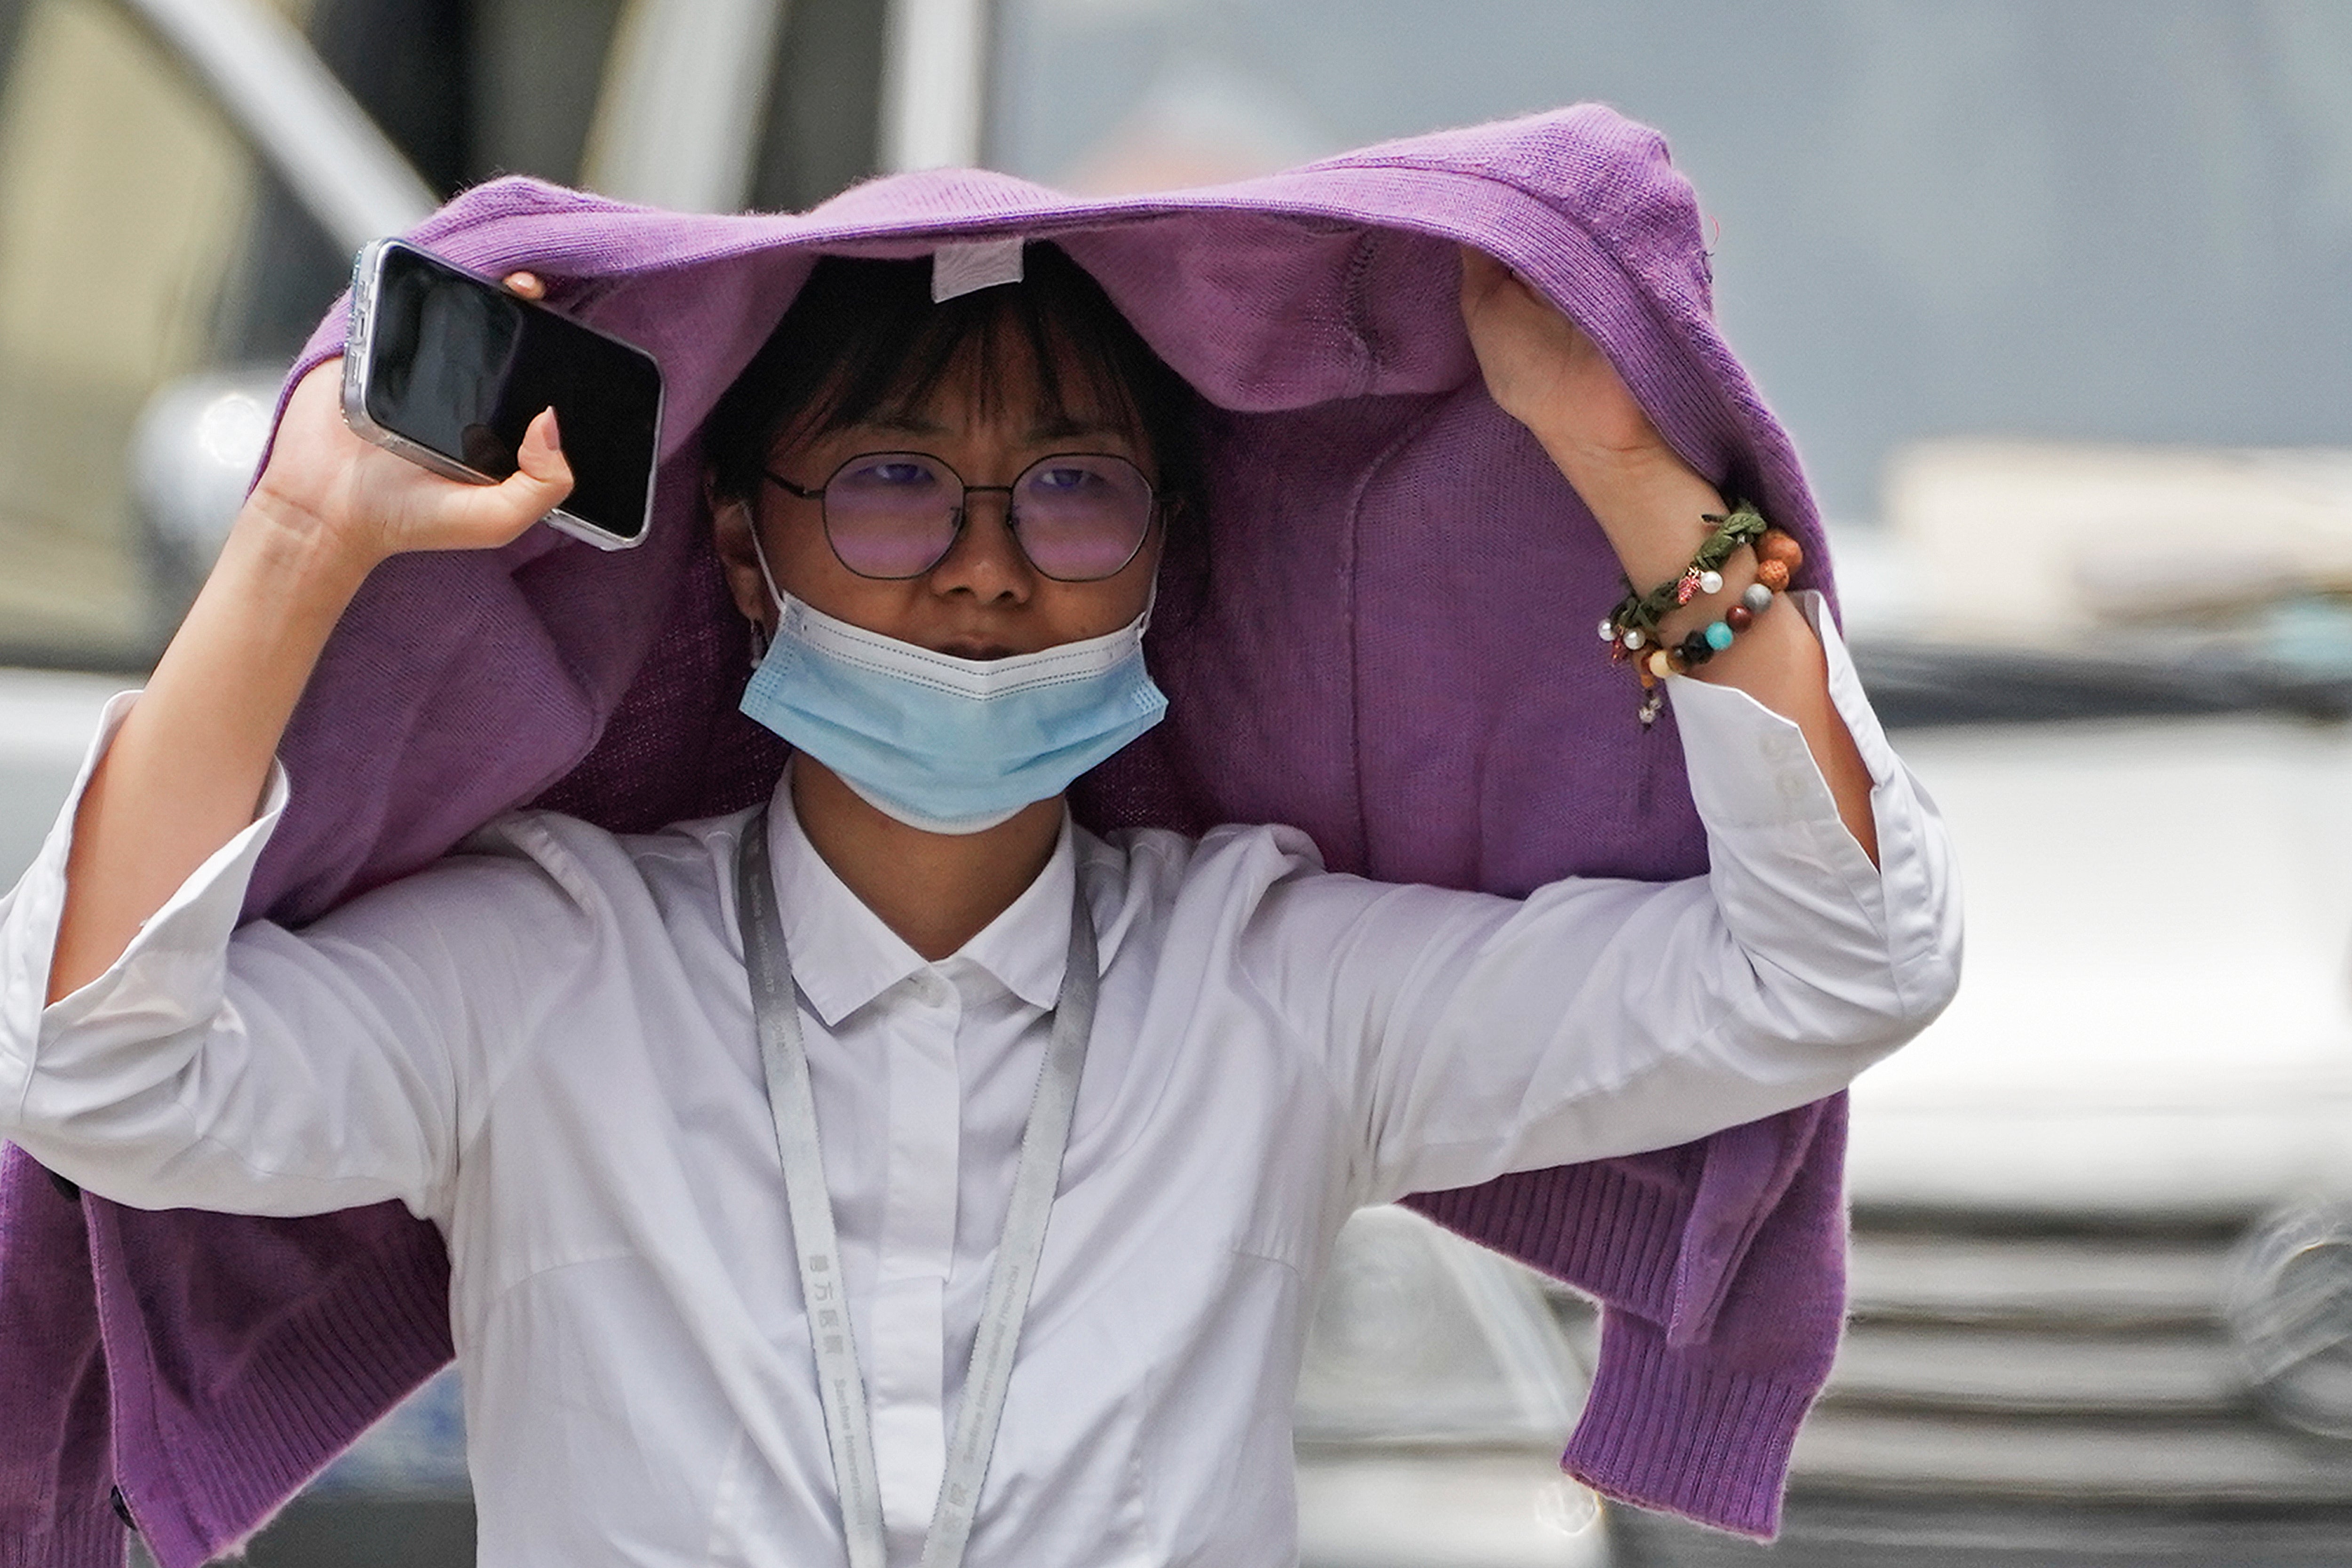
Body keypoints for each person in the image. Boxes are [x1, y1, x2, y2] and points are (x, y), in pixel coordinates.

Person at [5, 221, 1955, 1563]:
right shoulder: (550, 966)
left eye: (1072, 490)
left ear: (1165, 566)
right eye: (887, 483)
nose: (983, 563)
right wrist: (299, 537)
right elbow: (104, 1077)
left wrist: (1615, 459)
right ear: (744, 561)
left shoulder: (1267, 979)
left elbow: (1829, 966)